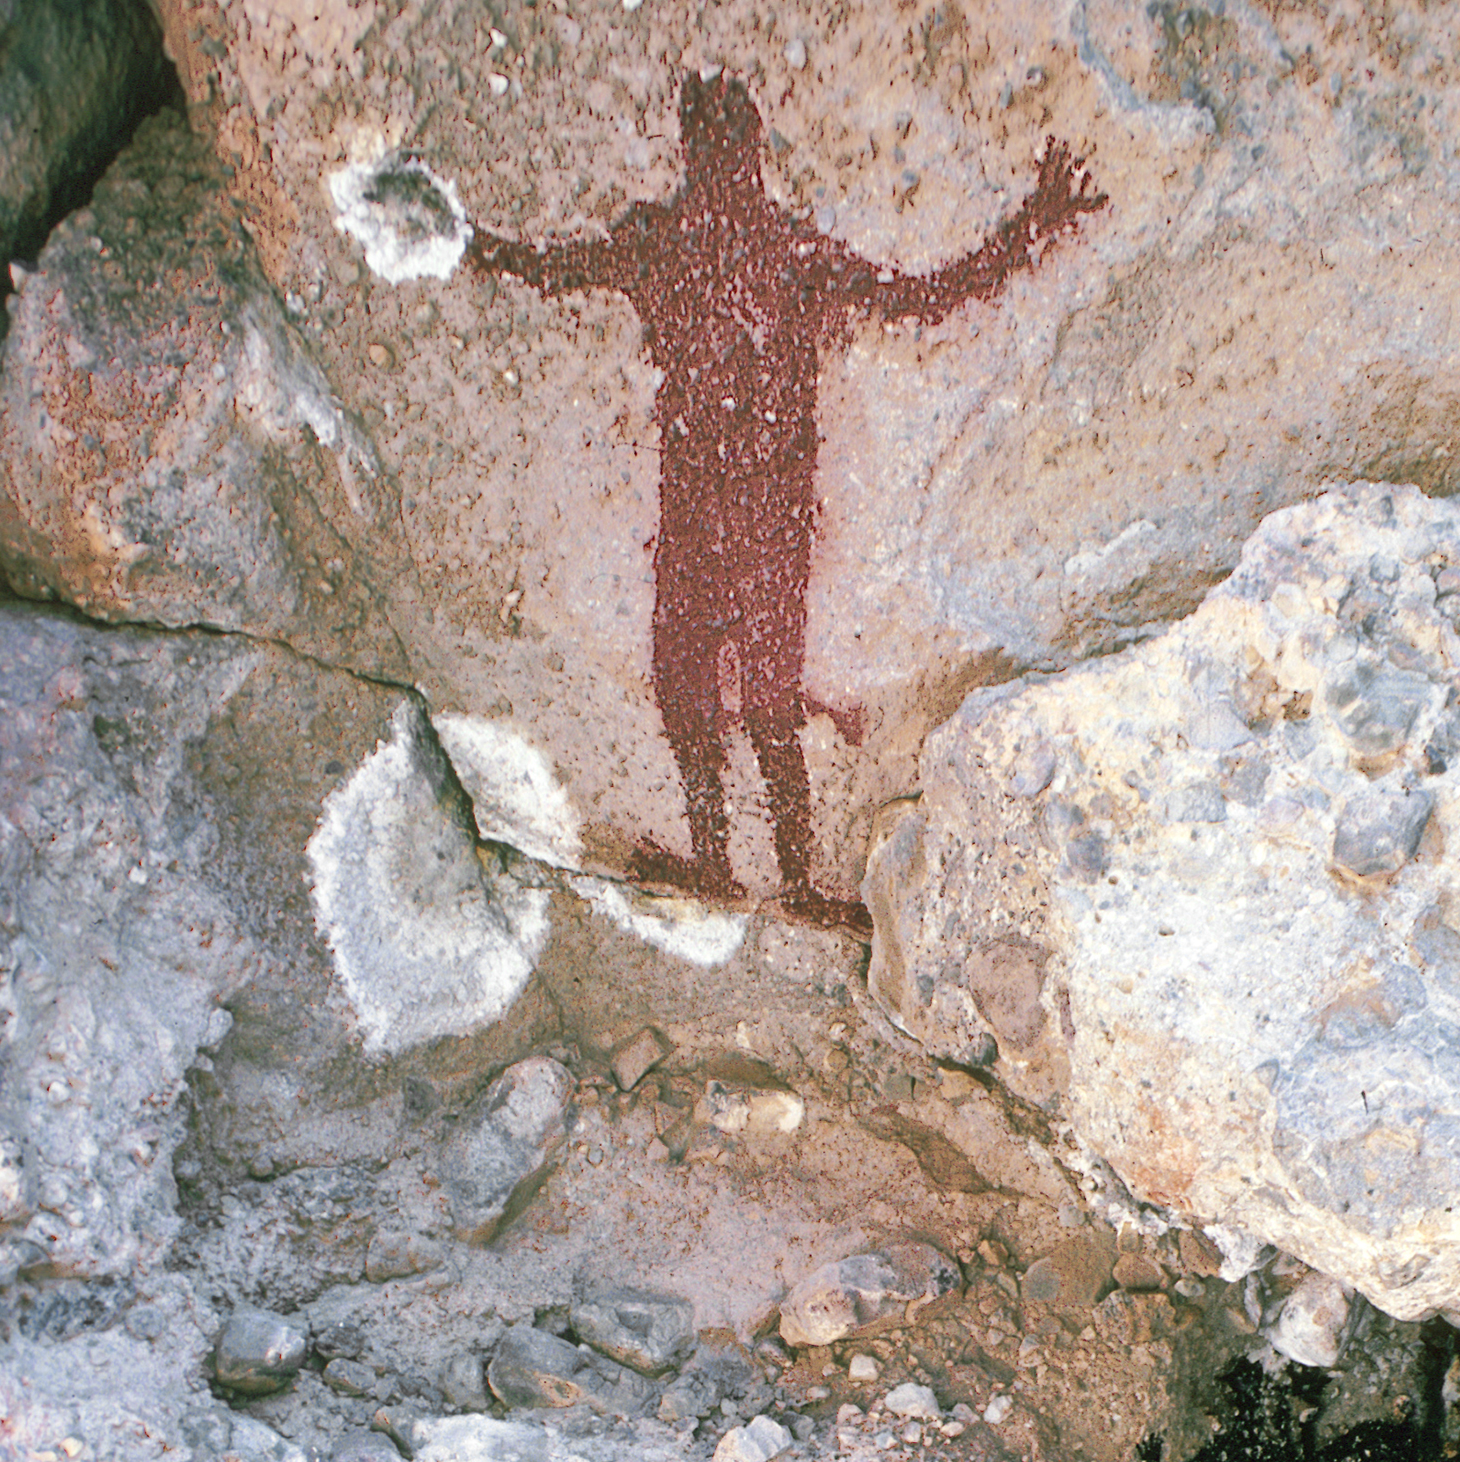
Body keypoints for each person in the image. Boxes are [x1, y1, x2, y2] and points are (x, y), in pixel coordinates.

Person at [471, 71, 1106, 932]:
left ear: (734, 152)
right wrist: (469, 244)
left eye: (725, 143)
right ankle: (720, 863)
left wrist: (1031, 227)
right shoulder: (699, 244)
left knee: (757, 699)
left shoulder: (735, 247)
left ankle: (788, 876)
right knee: (691, 690)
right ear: (719, 152)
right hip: (724, 509)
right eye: (716, 143)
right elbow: (559, 267)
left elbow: (918, 298)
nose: (723, 163)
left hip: (756, 510)